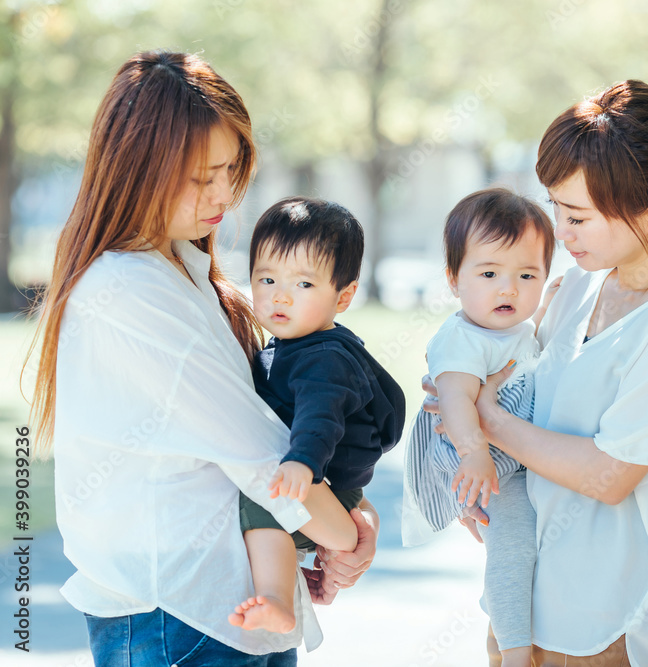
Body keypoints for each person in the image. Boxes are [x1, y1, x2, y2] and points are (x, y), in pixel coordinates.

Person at [25, 51, 378, 666]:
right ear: (136, 168)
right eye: (199, 178)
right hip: (177, 617)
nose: (223, 195)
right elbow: (259, 453)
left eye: (231, 169)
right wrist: (347, 536)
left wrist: (355, 512)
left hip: (230, 610)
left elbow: (280, 419)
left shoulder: (185, 270)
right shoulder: (128, 290)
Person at [426, 80, 648, 666]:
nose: (561, 231)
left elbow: (610, 475)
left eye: (578, 216)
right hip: (525, 609)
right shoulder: (578, 285)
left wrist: (484, 422)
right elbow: (517, 392)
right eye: (556, 207)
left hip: (609, 626)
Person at [231, 196, 405, 634]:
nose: (280, 295)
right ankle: (308, 578)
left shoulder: (323, 359)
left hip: (317, 485)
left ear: (343, 296)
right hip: (325, 490)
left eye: (304, 284)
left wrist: (302, 462)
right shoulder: (300, 343)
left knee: (260, 500)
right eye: (267, 279)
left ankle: (275, 598)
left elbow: (320, 416)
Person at [402, 188, 555, 667]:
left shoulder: (516, 329)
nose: (508, 289)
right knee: (513, 551)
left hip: (507, 458)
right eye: (489, 274)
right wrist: (474, 455)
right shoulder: (462, 339)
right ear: (454, 279)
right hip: (483, 463)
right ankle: (515, 652)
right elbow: (454, 401)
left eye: (526, 275)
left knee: (524, 550)